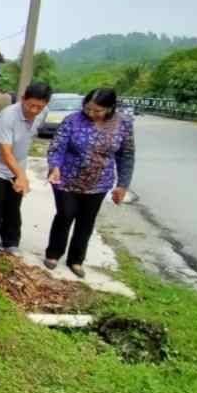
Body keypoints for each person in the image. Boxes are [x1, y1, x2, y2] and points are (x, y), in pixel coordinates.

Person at [44, 88, 135, 278]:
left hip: (99, 182)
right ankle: (53, 253)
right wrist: (55, 167)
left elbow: (126, 155)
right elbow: (57, 147)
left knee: (86, 221)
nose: (91, 113)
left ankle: (76, 260)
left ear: (109, 108)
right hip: (66, 178)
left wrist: (122, 184)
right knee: (65, 214)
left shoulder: (123, 123)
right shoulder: (72, 120)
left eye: (97, 110)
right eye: (88, 109)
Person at [0, 82, 52, 259]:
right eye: (31, 105)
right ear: (22, 100)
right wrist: (21, 176)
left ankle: (10, 241)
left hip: (19, 161)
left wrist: (20, 172)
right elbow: (5, 152)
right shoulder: (7, 116)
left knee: (14, 203)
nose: (35, 110)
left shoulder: (43, 112)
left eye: (39, 106)